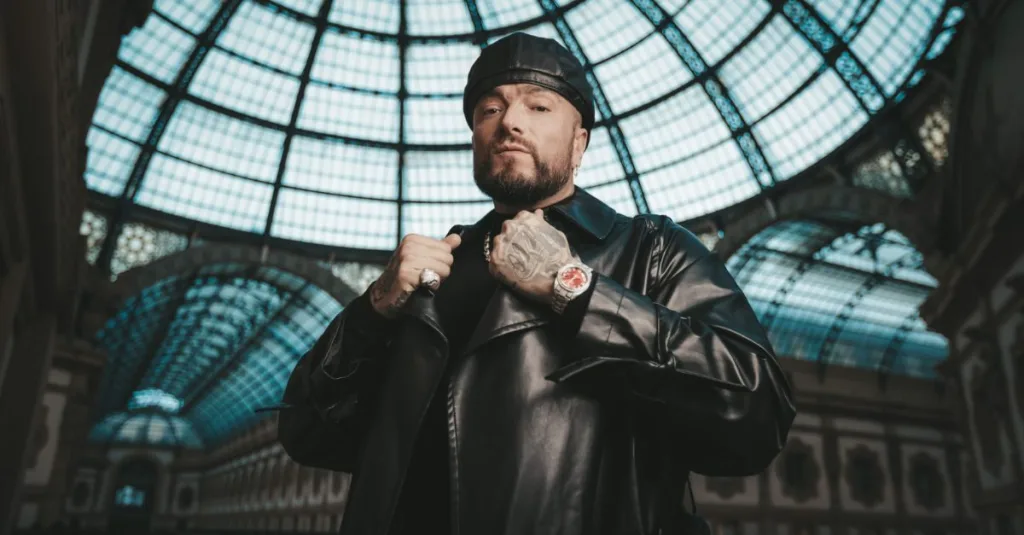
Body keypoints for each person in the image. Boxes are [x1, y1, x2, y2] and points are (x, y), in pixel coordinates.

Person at [278, 32, 796, 535]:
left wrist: (575, 289)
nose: (509, 122)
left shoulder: (650, 249)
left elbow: (755, 414)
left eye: (539, 106)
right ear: (475, 139)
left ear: (579, 142)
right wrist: (372, 311)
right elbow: (306, 435)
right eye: (489, 110)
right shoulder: (429, 272)